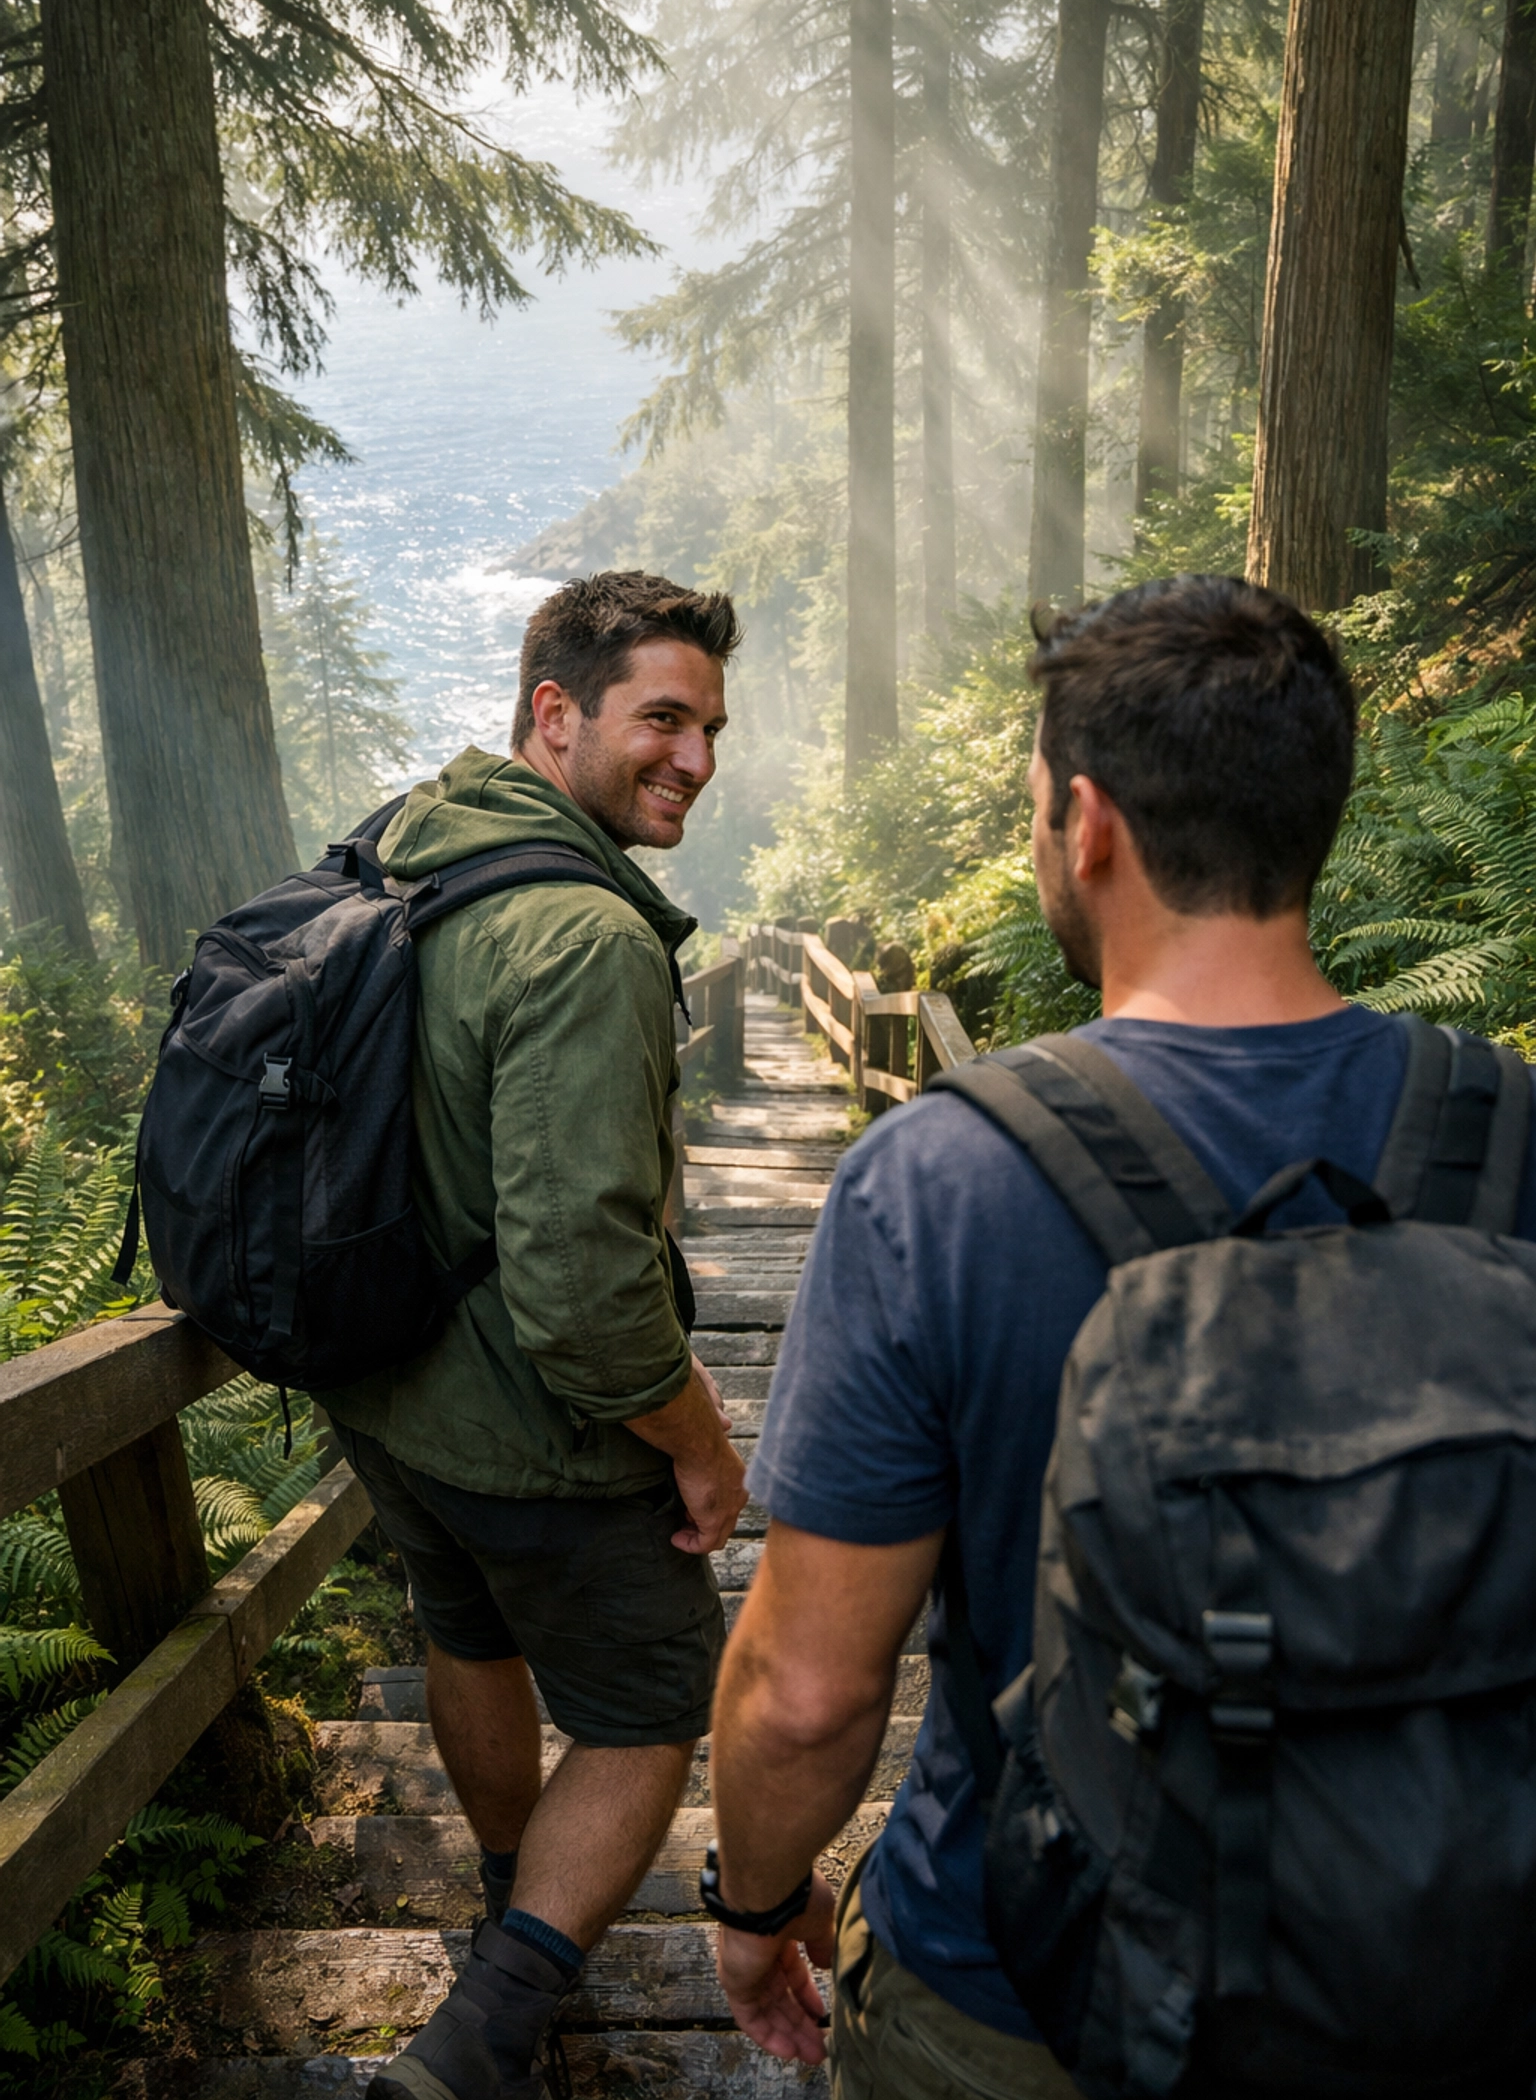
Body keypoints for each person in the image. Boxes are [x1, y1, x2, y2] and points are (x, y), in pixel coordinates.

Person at [703, 573, 1536, 2100]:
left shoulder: (938, 1180)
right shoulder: (1512, 1132)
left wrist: (752, 1909)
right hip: (1445, 1965)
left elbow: (810, 1694)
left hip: (1025, 1986)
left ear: (1085, 825)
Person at [321, 571, 749, 2100]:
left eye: (710, 728)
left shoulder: (415, 841)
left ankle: (513, 1899)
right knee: (654, 1710)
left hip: (390, 1393)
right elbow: (583, 1298)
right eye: (663, 718)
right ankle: (486, 2035)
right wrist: (701, 1443)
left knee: (467, 1634)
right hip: (533, 1435)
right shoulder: (588, 937)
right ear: (555, 713)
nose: (695, 757)